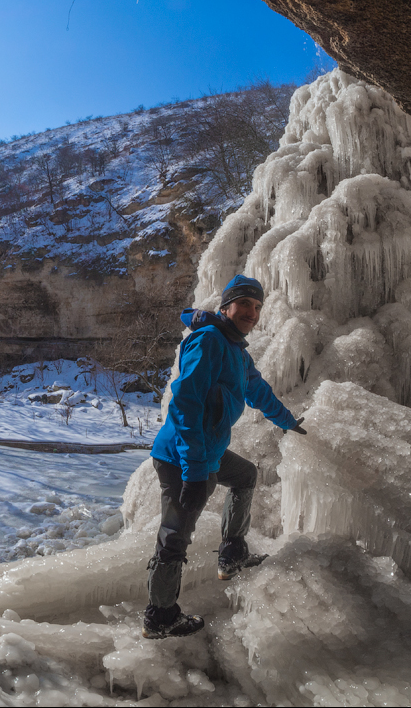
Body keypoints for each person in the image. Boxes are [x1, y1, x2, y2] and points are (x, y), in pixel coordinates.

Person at [142, 274, 306, 639]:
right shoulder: (209, 340)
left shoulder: (236, 351)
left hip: (208, 452)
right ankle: (159, 616)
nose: (252, 312)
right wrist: (194, 471)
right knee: (175, 535)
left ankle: (232, 554)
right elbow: (186, 404)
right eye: (245, 304)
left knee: (245, 475)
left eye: (257, 306)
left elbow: (257, 390)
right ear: (226, 307)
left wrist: (287, 421)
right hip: (181, 457)